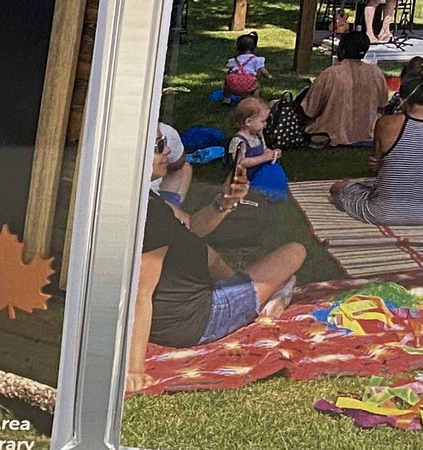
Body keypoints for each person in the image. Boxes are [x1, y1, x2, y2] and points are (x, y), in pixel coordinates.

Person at [127, 132, 307, 384]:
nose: (167, 150)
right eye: (158, 146)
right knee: (295, 252)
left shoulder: (137, 198)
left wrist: (226, 201)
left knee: (206, 251)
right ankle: (262, 302)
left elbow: (191, 226)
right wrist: (134, 371)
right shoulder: (150, 217)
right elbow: (140, 294)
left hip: (183, 310)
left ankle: (246, 289)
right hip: (198, 319)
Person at [332, 77, 423, 224]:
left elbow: (378, 167)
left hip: (381, 212)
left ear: (401, 100)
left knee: (338, 188)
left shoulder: (385, 123)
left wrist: (381, 165)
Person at [298, 27, 391, 147]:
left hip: (330, 133)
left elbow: (310, 110)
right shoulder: (376, 72)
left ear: (341, 51)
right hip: (368, 132)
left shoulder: (331, 74)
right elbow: (382, 105)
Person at [226, 93, 290, 200]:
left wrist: (272, 153)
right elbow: (240, 162)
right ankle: (259, 192)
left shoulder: (258, 135)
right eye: (263, 121)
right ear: (248, 122)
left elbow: (264, 149)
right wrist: (264, 158)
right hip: (245, 177)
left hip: (259, 171)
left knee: (274, 171)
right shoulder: (238, 141)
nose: (265, 125)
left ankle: (271, 192)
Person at [209, 34, 266, 106]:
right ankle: (254, 101)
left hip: (233, 86)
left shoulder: (234, 60)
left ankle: (226, 100)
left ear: (237, 49)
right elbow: (263, 71)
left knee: (227, 82)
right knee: (257, 85)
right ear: (254, 48)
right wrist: (268, 76)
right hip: (248, 86)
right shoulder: (256, 60)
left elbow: (229, 72)